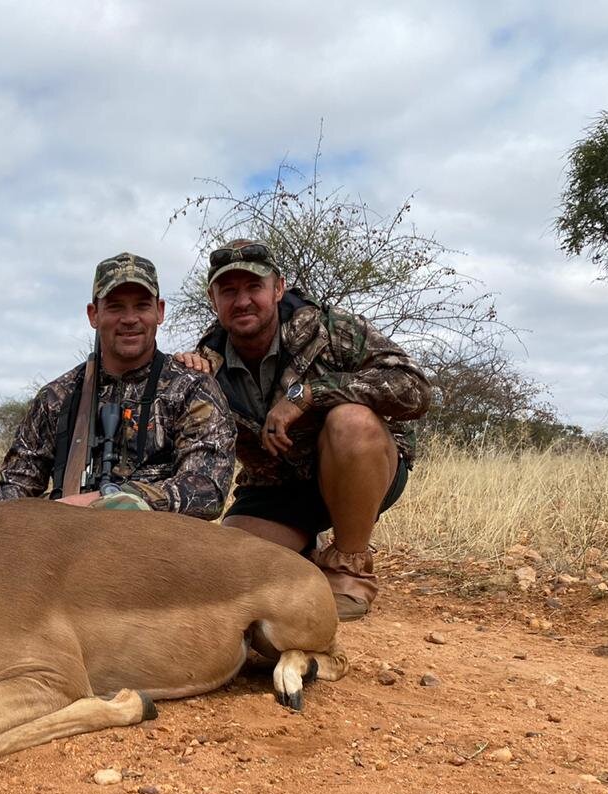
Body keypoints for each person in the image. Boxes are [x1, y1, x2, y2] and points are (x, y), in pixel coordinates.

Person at [176, 239, 431, 620]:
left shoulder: (332, 329)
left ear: (278, 288)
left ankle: (349, 568)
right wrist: (181, 380)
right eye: (228, 291)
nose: (242, 300)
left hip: (360, 468)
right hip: (278, 489)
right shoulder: (205, 366)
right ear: (214, 301)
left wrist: (309, 395)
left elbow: (414, 389)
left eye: (254, 287)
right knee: (223, 570)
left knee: (351, 422)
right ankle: (306, 555)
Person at [0, 252, 234, 519]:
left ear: (159, 311)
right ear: (93, 314)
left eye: (141, 306)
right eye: (116, 307)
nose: (129, 319)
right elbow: (11, 488)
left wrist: (108, 500)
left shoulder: (192, 387)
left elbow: (207, 490)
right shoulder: (56, 397)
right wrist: (47, 514)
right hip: (66, 542)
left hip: (161, 545)